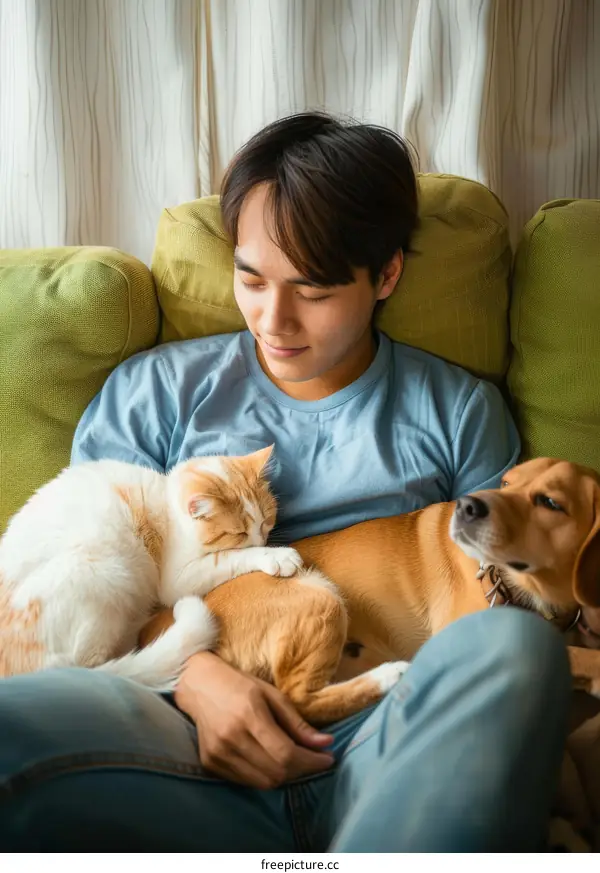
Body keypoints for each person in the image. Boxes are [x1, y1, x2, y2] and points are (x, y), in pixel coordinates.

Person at [0, 113, 570, 852]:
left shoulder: (456, 411)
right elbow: (79, 586)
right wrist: (198, 679)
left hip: (387, 738)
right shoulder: (155, 394)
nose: (275, 318)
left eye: (314, 289)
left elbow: (505, 595)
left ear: (386, 275)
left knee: (517, 650)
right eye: (251, 277)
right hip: (176, 738)